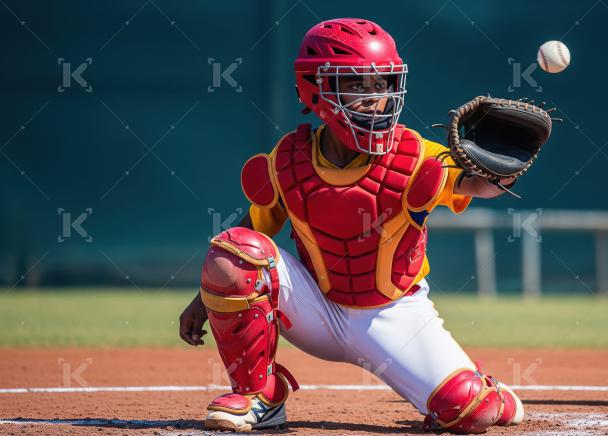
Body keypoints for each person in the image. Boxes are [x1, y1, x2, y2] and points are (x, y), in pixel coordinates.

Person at [178, 18, 525, 432]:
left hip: (393, 315)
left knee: (469, 411)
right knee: (237, 249)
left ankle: (492, 393)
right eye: (358, 85)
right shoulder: (289, 158)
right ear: (314, 87)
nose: (376, 98)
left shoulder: (416, 154)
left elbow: (478, 185)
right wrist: (205, 297)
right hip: (315, 310)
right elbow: (248, 234)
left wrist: (503, 168)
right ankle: (260, 396)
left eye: (383, 85)